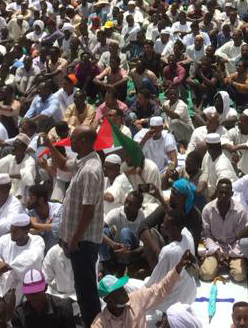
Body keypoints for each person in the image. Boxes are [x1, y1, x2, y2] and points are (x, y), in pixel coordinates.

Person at [58, 125, 104, 326]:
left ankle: (93, 323)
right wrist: (50, 147)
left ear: (84, 142)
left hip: (82, 242)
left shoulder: (90, 170)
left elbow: (88, 211)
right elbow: (65, 165)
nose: (70, 142)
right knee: (83, 287)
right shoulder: (83, 162)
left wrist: (74, 240)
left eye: (74, 139)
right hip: (78, 241)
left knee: (86, 291)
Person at [91, 249, 193, 328]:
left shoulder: (136, 299)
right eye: (118, 291)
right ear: (108, 300)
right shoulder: (100, 323)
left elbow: (160, 289)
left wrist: (178, 268)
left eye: (122, 287)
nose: (124, 291)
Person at [0, 213, 45, 300]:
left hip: (24, 282)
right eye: (11, 230)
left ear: (26, 231)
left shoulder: (37, 241)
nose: (12, 233)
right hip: (3, 279)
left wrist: (6, 268)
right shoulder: (6, 239)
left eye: (16, 231)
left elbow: (31, 259)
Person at [200, 178, 248, 282]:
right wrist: (217, 251)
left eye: (226, 193)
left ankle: (225, 264)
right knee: (206, 274)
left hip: (233, 248)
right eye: (220, 192)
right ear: (216, 192)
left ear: (231, 193)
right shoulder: (207, 209)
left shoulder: (240, 211)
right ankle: (217, 263)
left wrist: (229, 254)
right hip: (215, 247)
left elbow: (241, 238)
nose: (223, 196)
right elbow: (206, 235)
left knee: (239, 276)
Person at [12, 268, 77, 328]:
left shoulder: (63, 308)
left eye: (36, 293)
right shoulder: (19, 314)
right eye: (29, 294)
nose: (33, 297)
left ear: (45, 288)